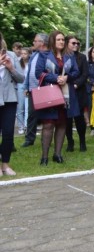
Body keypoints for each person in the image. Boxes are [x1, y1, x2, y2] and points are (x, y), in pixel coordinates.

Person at [34, 30, 80, 165]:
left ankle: (57, 154)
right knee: (48, 125)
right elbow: (38, 73)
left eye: (62, 39)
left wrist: (67, 77)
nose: (61, 42)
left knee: (62, 124)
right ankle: (44, 157)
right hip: (50, 94)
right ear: (53, 41)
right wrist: (55, 78)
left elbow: (76, 71)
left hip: (66, 96)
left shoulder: (69, 55)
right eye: (58, 39)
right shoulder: (44, 55)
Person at [0, 32, 24, 176]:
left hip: (9, 99)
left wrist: (11, 68)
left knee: (8, 133)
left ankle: (5, 165)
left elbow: (21, 78)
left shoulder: (11, 55)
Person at [22, 33, 48, 148]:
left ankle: (46, 138)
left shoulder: (48, 55)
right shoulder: (33, 55)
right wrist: (26, 86)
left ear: (42, 43)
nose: (33, 43)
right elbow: (29, 73)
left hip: (44, 89)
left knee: (46, 115)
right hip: (33, 89)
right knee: (32, 114)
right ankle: (29, 139)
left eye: (35, 41)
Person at [65, 35, 89, 152]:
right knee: (67, 119)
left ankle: (82, 142)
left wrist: (76, 84)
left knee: (79, 118)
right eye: (73, 43)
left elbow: (85, 74)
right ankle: (70, 142)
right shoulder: (63, 57)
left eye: (77, 43)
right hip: (66, 91)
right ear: (67, 44)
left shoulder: (82, 57)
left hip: (79, 91)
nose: (76, 45)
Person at [16, 47, 30, 135]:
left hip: (28, 85)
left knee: (27, 107)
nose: (23, 55)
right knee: (20, 107)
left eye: (25, 53)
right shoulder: (17, 62)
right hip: (20, 85)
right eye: (22, 53)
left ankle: (26, 126)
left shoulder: (30, 63)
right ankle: (21, 126)